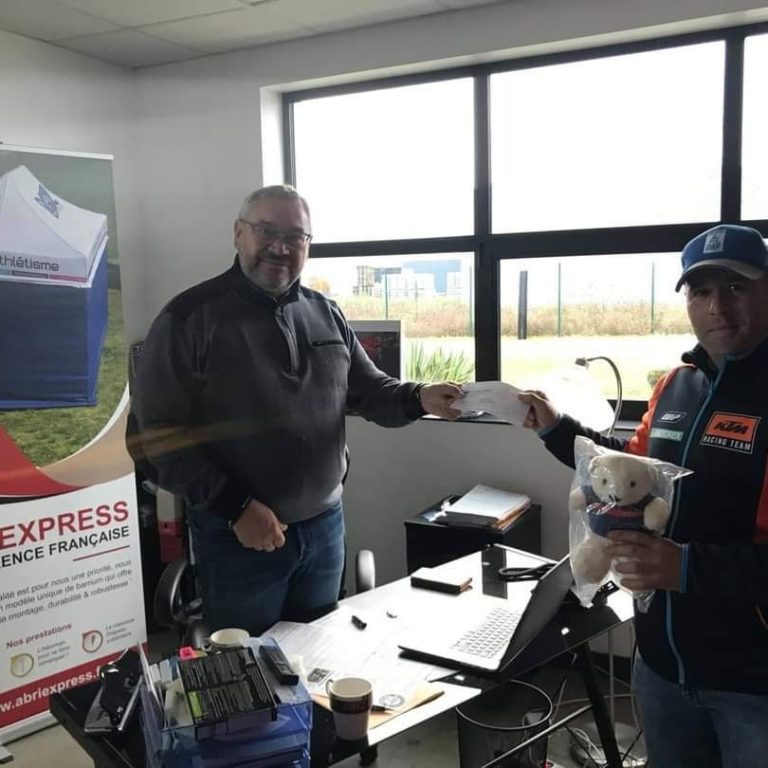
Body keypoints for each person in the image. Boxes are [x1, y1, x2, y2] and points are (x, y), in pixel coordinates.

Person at [130, 184, 462, 636]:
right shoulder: (188, 318)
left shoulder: (326, 313)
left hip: (324, 530)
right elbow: (153, 438)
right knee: (250, 666)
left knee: (319, 654)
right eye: (266, 231)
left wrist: (420, 397)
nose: (281, 247)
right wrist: (236, 507)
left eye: (295, 237)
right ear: (238, 233)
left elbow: (369, 391)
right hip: (239, 537)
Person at [519, 223, 768, 768]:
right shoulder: (676, 384)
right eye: (701, 291)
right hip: (660, 666)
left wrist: (685, 567)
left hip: (752, 684)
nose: (717, 307)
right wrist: (557, 429)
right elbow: (629, 472)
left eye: (736, 286)